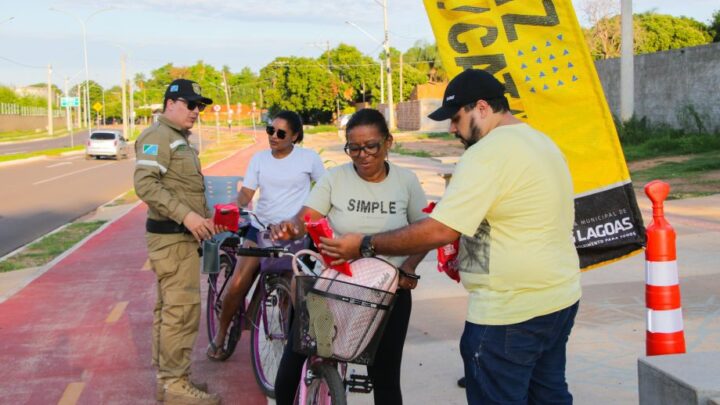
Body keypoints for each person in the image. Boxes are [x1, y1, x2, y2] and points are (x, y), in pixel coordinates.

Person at [321, 69, 582, 404]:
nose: (453, 129)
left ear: (483, 108)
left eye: (457, 119)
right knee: (548, 395)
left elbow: (439, 229)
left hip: (509, 312)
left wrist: (365, 245)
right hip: (558, 299)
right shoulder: (541, 141)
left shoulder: (487, 153)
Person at [270, 108, 429, 405]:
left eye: (371, 146)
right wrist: (289, 227)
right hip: (331, 286)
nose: (363, 154)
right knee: (296, 356)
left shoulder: (406, 181)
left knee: (385, 378)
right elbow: (305, 217)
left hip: (387, 293)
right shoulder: (335, 179)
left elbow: (425, 231)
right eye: (353, 148)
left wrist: (408, 268)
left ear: (388, 142)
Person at [206, 110, 326, 360]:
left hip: (294, 231)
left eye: (281, 133)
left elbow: (325, 190)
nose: (273, 136)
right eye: (270, 130)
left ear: (295, 135)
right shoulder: (259, 159)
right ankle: (221, 334)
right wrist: (232, 206)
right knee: (239, 282)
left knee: (298, 288)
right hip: (261, 227)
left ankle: (302, 343)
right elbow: (246, 195)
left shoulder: (309, 159)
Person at [134, 78, 223, 405]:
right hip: (172, 240)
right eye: (190, 104)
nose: (196, 111)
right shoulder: (158, 137)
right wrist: (187, 217)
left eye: (199, 105)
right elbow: (145, 185)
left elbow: (182, 188)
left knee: (169, 310)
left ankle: (170, 380)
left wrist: (206, 218)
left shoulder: (176, 139)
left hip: (182, 240)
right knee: (181, 312)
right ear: (170, 103)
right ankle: (174, 385)